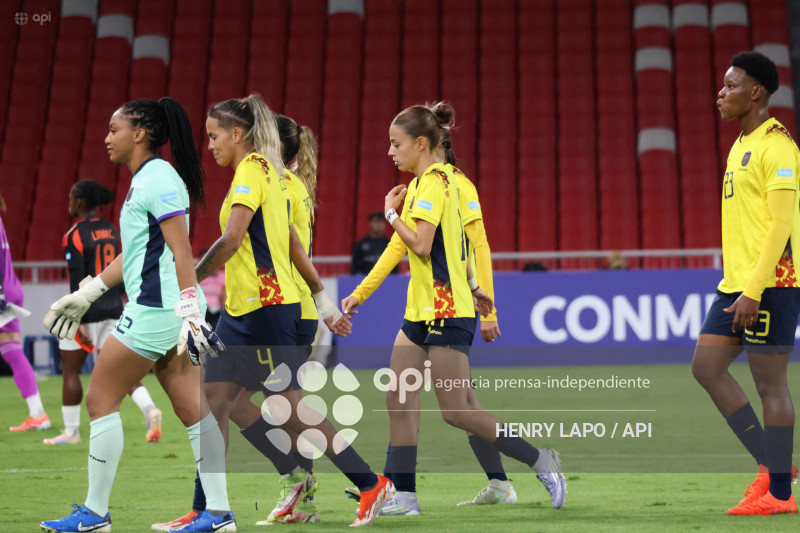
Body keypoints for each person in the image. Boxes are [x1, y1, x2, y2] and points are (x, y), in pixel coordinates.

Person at [152, 94, 393, 531]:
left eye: (214, 135)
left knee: (287, 407)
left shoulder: (254, 172)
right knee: (217, 403)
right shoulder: (274, 176)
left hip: (268, 308)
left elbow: (231, 240)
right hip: (245, 309)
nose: (209, 145)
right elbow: (292, 244)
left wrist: (187, 279)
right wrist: (321, 300)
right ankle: (211, 509)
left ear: (239, 134)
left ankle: (368, 481)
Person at [342, 103, 566, 515]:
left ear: (423, 142)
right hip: (419, 312)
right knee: (401, 399)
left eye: (396, 144)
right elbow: (403, 247)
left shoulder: (452, 184)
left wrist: (488, 309)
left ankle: (539, 460)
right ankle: (407, 496)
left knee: (458, 411)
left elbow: (470, 246)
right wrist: (361, 293)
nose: (390, 152)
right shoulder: (424, 184)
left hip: (448, 308)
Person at [40, 97, 234, 533]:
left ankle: (94, 514)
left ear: (140, 133)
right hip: (168, 310)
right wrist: (88, 292)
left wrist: (187, 310)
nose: (107, 138)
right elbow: (138, 253)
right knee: (193, 413)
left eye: (114, 130)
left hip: (158, 311)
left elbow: (182, 248)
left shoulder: (157, 178)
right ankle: (219, 514)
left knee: (100, 398)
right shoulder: (151, 177)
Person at [692, 51, 800, 516]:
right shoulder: (740, 144)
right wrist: (740, 287)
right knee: (706, 367)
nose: (721, 93)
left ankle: (780, 494)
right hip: (735, 284)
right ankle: (773, 466)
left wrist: (754, 290)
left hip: (771, 284)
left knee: (769, 384)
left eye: (731, 86)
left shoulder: (779, 147)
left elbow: (780, 226)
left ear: (756, 92)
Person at [44, 179, 163, 445]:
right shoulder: (111, 231)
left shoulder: (74, 234)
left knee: (71, 371)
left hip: (86, 310)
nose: (69, 203)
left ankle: (71, 432)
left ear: (81, 202)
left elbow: (77, 280)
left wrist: (79, 319)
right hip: (113, 308)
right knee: (121, 371)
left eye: (72, 198)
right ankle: (150, 409)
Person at [0, 193, 51, 432]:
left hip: (2, 288)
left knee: (12, 352)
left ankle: (38, 413)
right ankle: (37, 413)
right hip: (10, 285)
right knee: (12, 351)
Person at [197, 248, 225, 330]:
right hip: (199, 311)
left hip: (216, 312)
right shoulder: (194, 276)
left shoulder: (222, 276)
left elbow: (225, 296)